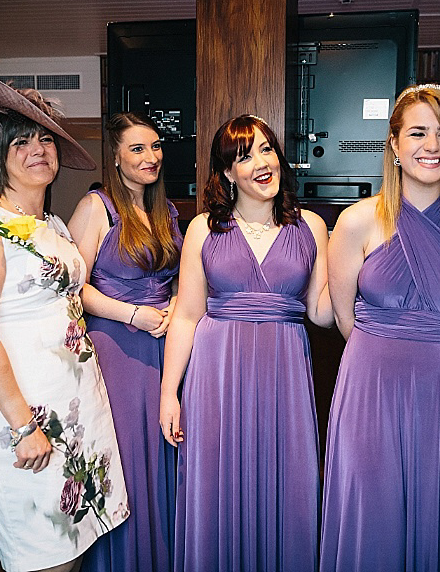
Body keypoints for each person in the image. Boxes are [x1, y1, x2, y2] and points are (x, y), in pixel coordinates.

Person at [0, 41, 127, 572]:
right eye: (20, 141)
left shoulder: (55, 226)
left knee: (76, 544)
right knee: (43, 549)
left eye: (44, 138)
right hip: (27, 412)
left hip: (75, 403)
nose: (38, 149)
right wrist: (24, 426)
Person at [320, 84, 440, 571]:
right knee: (370, 506)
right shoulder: (357, 221)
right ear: (394, 145)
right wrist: (387, 353)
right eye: (418, 132)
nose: (432, 145)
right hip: (370, 387)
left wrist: (427, 354)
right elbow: (345, 318)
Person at [160, 114, 332, 572]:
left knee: (286, 484)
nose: (261, 162)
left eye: (267, 149)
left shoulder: (311, 226)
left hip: (285, 374)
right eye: (245, 155)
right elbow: (187, 316)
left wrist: (364, 272)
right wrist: (168, 394)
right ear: (227, 173)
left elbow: (320, 309)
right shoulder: (203, 228)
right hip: (217, 375)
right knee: (218, 485)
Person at [68, 112, 181, 572]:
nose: (150, 156)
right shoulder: (97, 207)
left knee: (163, 450)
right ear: (114, 157)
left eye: (155, 146)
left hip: (164, 345)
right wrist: (133, 313)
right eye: (137, 149)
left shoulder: (165, 209)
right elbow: (73, 287)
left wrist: (174, 303)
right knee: (129, 458)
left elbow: (179, 275)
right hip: (117, 347)